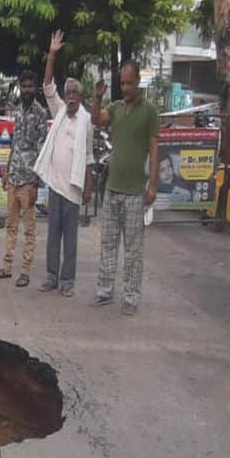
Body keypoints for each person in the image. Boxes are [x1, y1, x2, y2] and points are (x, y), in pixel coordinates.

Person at [90, 59, 160, 315]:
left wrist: (152, 186)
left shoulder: (149, 112)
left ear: (138, 82)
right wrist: (97, 98)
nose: (126, 87)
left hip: (134, 192)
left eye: (129, 82)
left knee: (133, 248)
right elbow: (96, 119)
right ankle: (104, 290)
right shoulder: (116, 108)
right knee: (108, 243)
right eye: (122, 83)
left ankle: (131, 296)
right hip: (112, 189)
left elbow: (154, 151)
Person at [34, 30, 94, 298]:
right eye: (67, 92)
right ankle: (51, 276)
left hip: (74, 188)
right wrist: (52, 55)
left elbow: (90, 157)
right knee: (52, 236)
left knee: (70, 239)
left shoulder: (86, 121)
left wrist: (89, 188)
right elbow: (47, 85)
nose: (69, 96)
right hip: (55, 185)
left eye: (74, 93)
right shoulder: (59, 112)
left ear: (80, 97)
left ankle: (67, 280)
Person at [0, 68, 49, 287]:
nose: (26, 90)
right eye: (23, 86)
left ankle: (25, 270)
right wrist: (6, 171)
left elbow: (42, 151)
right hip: (14, 177)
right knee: (11, 226)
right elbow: (14, 143)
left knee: (29, 229)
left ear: (35, 88)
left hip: (28, 182)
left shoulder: (41, 113)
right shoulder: (17, 112)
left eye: (29, 86)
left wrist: (36, 182)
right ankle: (7, 267)